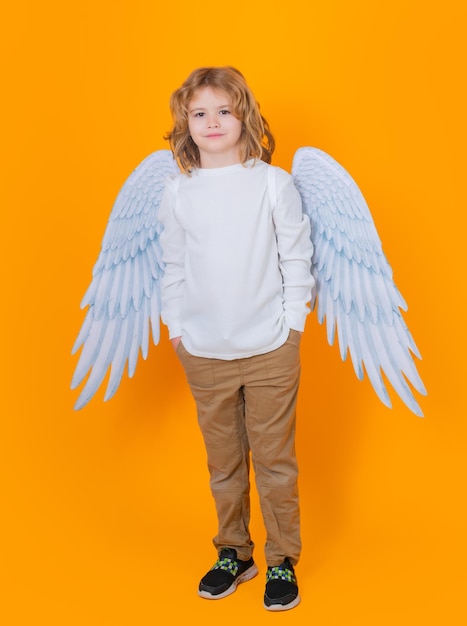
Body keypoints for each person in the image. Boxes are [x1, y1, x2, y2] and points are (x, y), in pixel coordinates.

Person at [158, 66, 314, 612]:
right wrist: (177, 332)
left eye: (223, 110)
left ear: (243, 114)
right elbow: (173, 267)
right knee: (223, 462)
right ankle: (234, 552)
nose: (212, 122)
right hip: (204, 353)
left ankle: (280, 560)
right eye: (199, 113)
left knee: (274, 461)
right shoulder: (178, 192)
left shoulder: (273, 183)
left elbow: (296, 258)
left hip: (271, 349)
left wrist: (293, 329)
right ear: (186, 124)